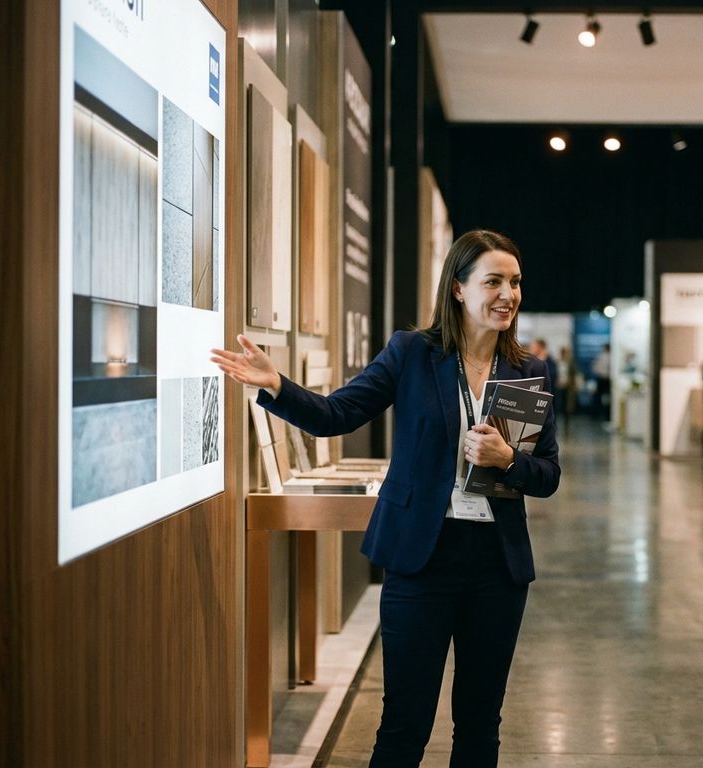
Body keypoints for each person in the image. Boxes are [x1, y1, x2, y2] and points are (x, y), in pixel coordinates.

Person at [211, 229, 561, 768]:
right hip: (421, 559)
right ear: (459, 289)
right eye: (493, 281)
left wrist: (507, 461)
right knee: (404, 722)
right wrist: (277, 384)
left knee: (479, 723)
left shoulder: (529, 372)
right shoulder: (414, 354)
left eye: (515, 283)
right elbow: (337, 414)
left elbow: (548, 475)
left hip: (497, 565)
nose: (508, 294)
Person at [591, 343, 612, 421]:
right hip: (606, 379)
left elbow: (595, 367)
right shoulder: (609, 356)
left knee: (600, 397)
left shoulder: (602, 356)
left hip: (602, 379)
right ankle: (605, 415)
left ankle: (599, 414)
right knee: (605, 397)